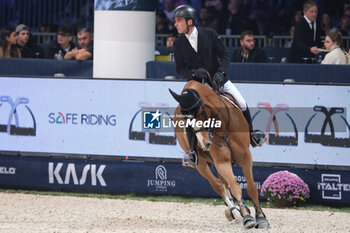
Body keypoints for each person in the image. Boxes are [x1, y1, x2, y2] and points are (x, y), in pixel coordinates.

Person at [172, 5, 266, 168]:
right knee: (189, 114)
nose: (175, 24)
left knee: (242, 102)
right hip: (197, 85)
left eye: (179, 21)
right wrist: (193, 74)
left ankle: (252, 135)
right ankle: (193, 153)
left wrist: (221, 72)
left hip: (218, 79)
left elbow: (224, 55)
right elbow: (180, 68)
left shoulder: (210, 34)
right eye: (175, 21)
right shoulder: (178, 44)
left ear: (190, 22)